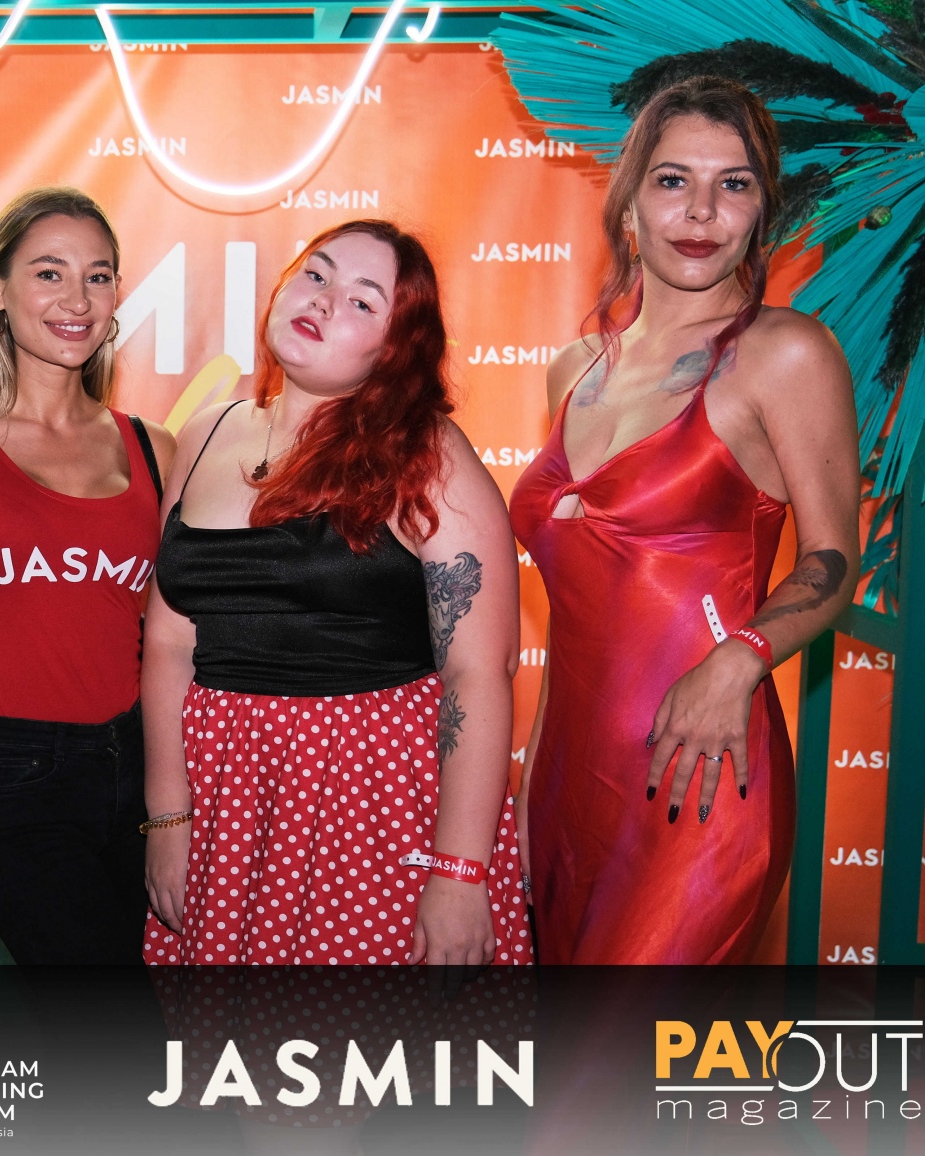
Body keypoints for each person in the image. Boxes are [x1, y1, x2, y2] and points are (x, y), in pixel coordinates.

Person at [509, 76, 859, 964]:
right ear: (628, 201)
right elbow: (576, 621)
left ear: (761, 211)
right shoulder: (574, 369)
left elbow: (832, 561)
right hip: (569, 788)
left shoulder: (784, 353)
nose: (701, 211)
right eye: (673, 181)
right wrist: (528, 790)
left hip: (701, 780)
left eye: (733, 184)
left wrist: (741, 658)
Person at [141, 219, 532, 966]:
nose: (324, 300)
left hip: (369, 795)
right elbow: (166, 639)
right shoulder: (204, 432)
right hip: (228, 794)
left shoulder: (425, 455)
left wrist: (459, 872)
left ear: (394, 350)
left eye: (363, 300)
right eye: (316, 275)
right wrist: (168, 818)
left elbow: (478, 670)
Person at [0, 187, 176, 964]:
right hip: (16, 774)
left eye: (98, 276)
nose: (77, 300)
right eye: (49, 273)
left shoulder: (156, 448)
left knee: (156, 1004)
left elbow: (170, 616)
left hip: (145, 761)